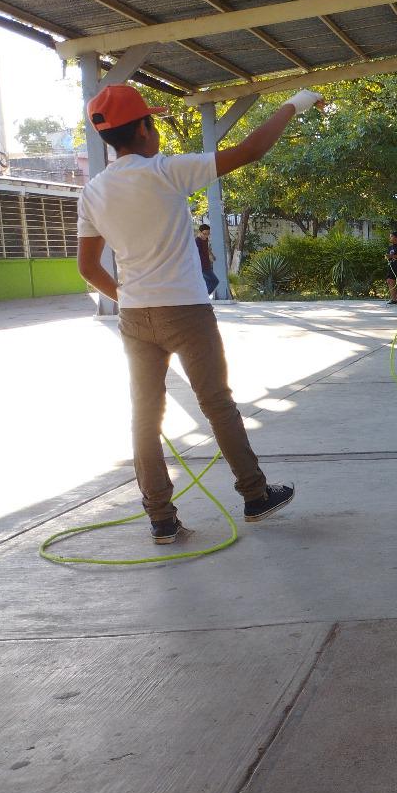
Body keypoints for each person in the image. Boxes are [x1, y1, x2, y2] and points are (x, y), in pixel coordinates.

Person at [75, 84, 315, 543]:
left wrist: (127, 296)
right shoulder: (166, 171)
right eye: (152, 122)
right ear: (143, 130)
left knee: (145, 417)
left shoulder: (93, 192)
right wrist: (295, 103)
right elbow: (252, 150)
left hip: (135, 318)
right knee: (217, 404)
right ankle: (255, 495)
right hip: (186, 311)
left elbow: (87, 268)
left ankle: (161, 519)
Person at [194, 222, 218, 297]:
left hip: (207, 264)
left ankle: (203, 297)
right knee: (215, 281)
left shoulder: (206, 239)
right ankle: (204, 297)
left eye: (208, 234)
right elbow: (195, 254)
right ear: (200, 232)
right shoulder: (197, 241)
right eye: (204, 234)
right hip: (202, 266)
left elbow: (207, 248)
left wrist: (211, 255)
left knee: (208, 282)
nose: (206, 236)